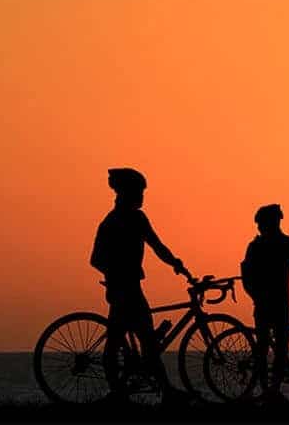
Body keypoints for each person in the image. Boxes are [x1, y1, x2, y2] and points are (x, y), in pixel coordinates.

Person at [89, 168, 191, 404]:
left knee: (131, 340)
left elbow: (157, 245)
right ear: (127, 192)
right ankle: (157, 392)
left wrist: (175, 263)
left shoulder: (136, 218)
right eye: (139, 191)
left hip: (128, 287)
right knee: (141, 341)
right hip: (125, 289)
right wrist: (115, 274)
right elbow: (96, 259)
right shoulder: (113, 222)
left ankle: (127, 392)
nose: (143, 196)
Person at [240, 204, 289, 400]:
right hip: (278, 302)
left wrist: (255, 295)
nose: (258, 228)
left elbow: (246, 274)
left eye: (260, 224)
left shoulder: (256, 246)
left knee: (265, 348)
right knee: (278, 347)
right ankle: (272, 390)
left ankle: (269, 390)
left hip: (266, 302)